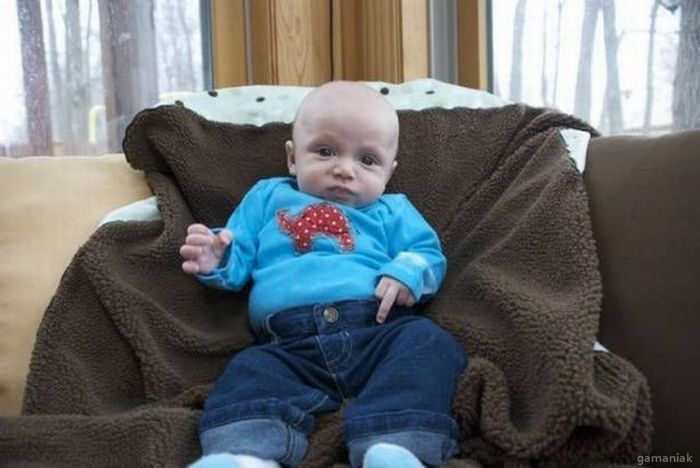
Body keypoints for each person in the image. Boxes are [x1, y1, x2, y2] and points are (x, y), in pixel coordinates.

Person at [180, 81, 467, 468]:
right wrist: (216, 256)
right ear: (292, 157)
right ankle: (245, 456)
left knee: (428, 343)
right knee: (247, 373)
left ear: (389, 172)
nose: (344, 169)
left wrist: (405, 273)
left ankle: (395, 445)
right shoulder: (268, 196)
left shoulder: (392, 210)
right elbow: (237, 250)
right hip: (287, 345)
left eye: (367, 160)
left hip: (378, 329)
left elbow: (428, 254)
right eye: (325, 151)